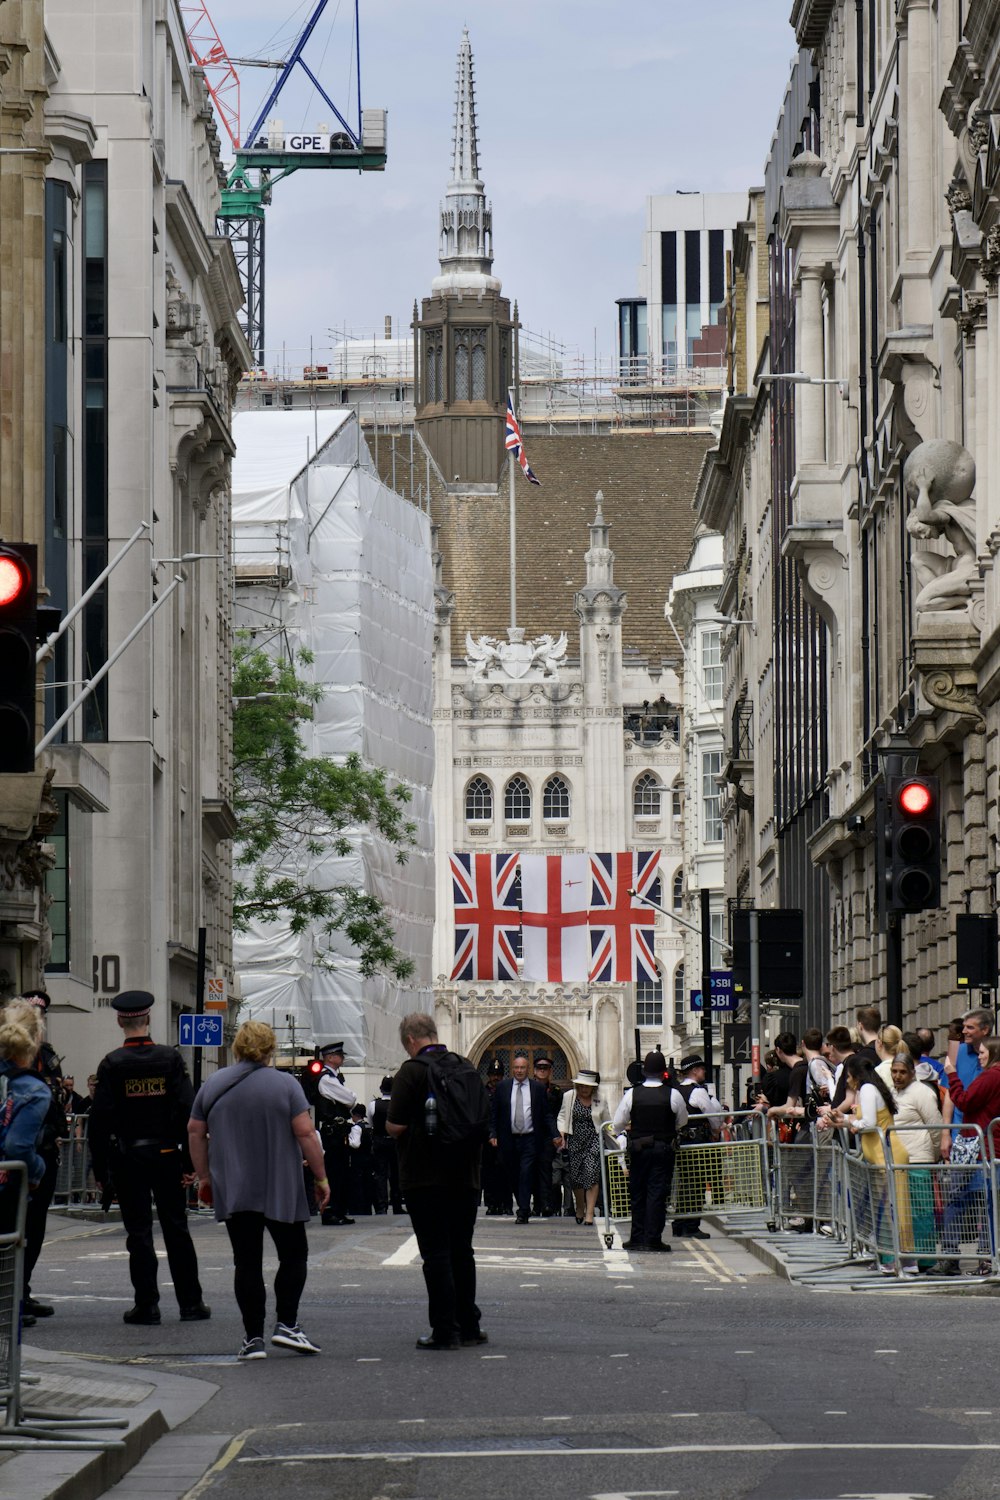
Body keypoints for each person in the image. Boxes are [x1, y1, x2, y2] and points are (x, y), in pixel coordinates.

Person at [189, 1020, 329, 1359]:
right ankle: (287, 1325)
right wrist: (322, 1178)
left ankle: (253, 1339)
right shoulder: (285, 1085)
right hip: (280, 1184)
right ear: (270, 1049)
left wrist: (204, 1176)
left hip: (235, 1186)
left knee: (247, 1262)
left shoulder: (214, 1083)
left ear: (237, 1047)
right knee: (293, 1255)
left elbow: (195, 1130)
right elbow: (306, 1133)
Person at [88, 991, 209, 1325]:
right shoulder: (170, 1060)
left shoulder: (112, 1064)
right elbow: (187, 1110)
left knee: (139, 1232)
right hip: (167, 1153)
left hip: (128, 1158)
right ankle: (190, 1303)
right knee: (176, 1227)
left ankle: (147, 1305)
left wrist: (101, 1169)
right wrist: (188, 1164)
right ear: (149, 1019)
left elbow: (99, 1123)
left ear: (119, 1021)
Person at [386, 1012, 486, 1350]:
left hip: (425, 1175)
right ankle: (469, 1325)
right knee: (462, 1250)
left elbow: (395, 1125)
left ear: (412, 1041)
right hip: (466, 1174)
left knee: (436, 1253)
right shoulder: (465, 1066)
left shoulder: (412, 1071)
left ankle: (445, 1330)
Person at [821, 1054, 909, 1273]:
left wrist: (851, 1123)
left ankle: (898, 1261)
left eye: (848, 1076)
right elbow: (867, 1120)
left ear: (854, 1074)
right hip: (880, 1154)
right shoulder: (868, 1089)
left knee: (892, 1211)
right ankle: (895, 1260)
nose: (847, 1081)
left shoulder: (868, 1089)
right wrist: (844, 1121)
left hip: (885, 1154)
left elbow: (868, 1123)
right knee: (887, 1211)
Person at [0, 1007, 54, 1326]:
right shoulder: (33, 1089)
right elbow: (18, 1146)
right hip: (9, 1180)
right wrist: (36, 1170)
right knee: (10, 1247)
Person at [18, 990, 65, 1323]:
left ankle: (23, 1290)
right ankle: (12, 1295)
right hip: (20, 1156)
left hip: (45, 1152)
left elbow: (56, 1103)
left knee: (35, 1229)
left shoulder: (47, 1057)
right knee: (13, 1228)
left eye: (42, 1014)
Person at [613, 1051, 687, 1252]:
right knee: (657, 1193)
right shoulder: (673, 1094)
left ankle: (636, 1237)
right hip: (663, 1150)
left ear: (644, 1071)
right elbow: (682, 1121)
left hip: (638, 1149)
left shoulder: (632, 1094)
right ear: (664, 1071)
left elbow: (617, 1124)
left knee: (638, 1192)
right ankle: (653, 1238)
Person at [940, 1034, 1000, 1275]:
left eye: (984, 1052)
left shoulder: (991, 1076)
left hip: (979, 1148)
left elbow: (964, 1101)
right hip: (982, 1146)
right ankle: (981, 1259)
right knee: (985, 1204)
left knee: (978, 1203)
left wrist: (952, 1075)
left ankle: (981, 1260)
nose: (980, 1057)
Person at [490, 1051, 560, 1224]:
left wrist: (555, 1134)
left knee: (526, 1173)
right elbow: (494, 1114)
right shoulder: (502, 1087)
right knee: (513, 1174)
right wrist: (493, 1133)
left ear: (528, 1069)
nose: (519, 1070)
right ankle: (522, 1203)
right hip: (509, 1139)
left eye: (522, 1067)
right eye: (516, 1067)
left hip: (530, 1138)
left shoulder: (537, 1089)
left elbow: (547, 1115)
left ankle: (523, 1211)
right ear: (512, 1069)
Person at [889, 1051, 943, 1272]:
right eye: (894, 1071)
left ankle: (925, 1259)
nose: (898, 1076)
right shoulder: (890, 1093)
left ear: (912, 1072)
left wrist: (934, 1155)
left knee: (921, 1211)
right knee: (902, 1212)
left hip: (919, 1159)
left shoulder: (922, 1092)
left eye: (903, 1072)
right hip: (897, 1161)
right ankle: (906, 1256)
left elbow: (936, 1127)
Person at [672, 1054, 723, 1239]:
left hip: (682, 1141)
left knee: (685, 1184)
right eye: (701, 1068)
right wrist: (716, 1130)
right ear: (694, 1071)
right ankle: (691, 1226)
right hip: (698, 1142)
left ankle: (679, 1224)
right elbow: (712, 1116)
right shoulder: (698, 1091)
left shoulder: (676, 1091)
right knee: (698, 1183)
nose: (704, 1071)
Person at [557, 1068, 610, 1226]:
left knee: (591, 1173)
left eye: (587, 1086)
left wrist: (616, 1137)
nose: (583, 1089)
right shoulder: (569, 1096)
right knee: (576, 1178)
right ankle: (580, 1206)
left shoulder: (600, 1099)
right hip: (575, 1139)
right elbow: (562, 1115)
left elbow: (607, 1121)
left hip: (593, 1139)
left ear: (593, 1087)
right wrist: (561, 1133)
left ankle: (589, 1212)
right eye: (581, 1086)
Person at [315, 1042, 357, 1226]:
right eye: (339, 1055)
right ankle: (331, 1210)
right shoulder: (326, 1079)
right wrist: (350, 1097)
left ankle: (339, 1210)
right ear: (330, 1057)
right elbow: (350, 1098)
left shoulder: (334, 1077)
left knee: (341, 1171)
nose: (342, 1058)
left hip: (338, 1132)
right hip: (332, 1133)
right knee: (334, 1171)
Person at [531, 1054, 564, 1217]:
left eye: (545, 1069)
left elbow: (559, 1114)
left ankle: (545, 1204)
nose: (542, 1071)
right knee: (531, 1171)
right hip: (530, 1134)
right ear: (535, 1071)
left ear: (550, 1071)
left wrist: (557, 1135)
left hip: (548, 1136)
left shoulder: (556, 1091)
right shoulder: (528, 1088)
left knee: (545, 1169)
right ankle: (536, 1203)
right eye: (539, 1068)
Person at [481, 1060, 512, 1216]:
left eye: (499, 1075)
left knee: (505, 1172)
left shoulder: (507, 1090)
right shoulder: (482, 1091)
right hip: (487, 1139)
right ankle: (492, 1203)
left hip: (505, 1137)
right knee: (489, 1173)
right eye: (493, 1075)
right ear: (489, 1076)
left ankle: (506, 1204)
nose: (496, 1078)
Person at [369, 1075, 403, 1214]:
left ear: (381, 1089)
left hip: (380, 1141)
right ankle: (397, 1205)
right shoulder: (399, 1103)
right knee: (396, 1174)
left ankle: (381, 1206)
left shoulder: (373, 1104)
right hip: (395, 1141)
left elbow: (372, 1123)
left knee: (380, 1174)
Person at [347, 1103, 374, 1215]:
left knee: (358, 1184)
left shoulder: (356, 1128)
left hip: (358, 1159)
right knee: (367, 1183)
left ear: (356, 1115)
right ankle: (367, 1208)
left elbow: (355, 1144)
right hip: (368, 1158)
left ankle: (359, 1208)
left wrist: (347, 1139)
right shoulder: (368, 1126)